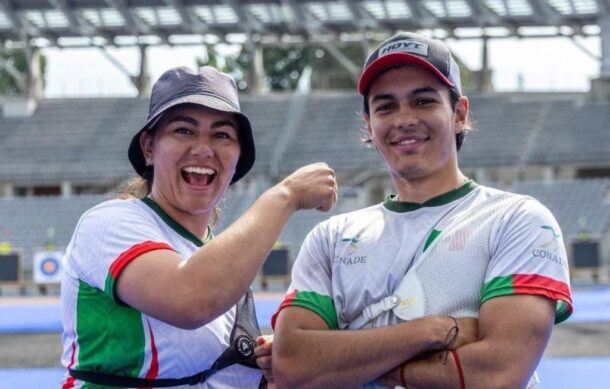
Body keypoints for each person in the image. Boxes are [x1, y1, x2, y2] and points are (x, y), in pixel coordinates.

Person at [271, 31, 573, 389]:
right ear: (369, 125)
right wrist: (429, 333)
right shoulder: (332, 237)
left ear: (459, 114)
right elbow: (292, 365)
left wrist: (348, 355)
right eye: (385, 106)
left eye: (424, 101)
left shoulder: (517, 220)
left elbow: (495, 376)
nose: (404, 119)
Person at [60, 65, 337, 388]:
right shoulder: (109, 222)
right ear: (149, 148)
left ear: (237, 159)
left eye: (221, 135)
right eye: (184, 131)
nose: (204, 149)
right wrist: (284, 196)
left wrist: (259, 361)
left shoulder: (218, 259)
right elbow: (191, 300)